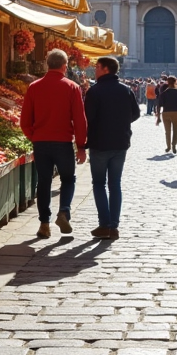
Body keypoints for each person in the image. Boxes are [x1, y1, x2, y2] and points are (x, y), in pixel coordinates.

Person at [19, 48, 87, 237]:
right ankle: (64, 210)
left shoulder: (34, 87)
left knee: (44, 182)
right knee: (68, 179)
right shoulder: (72, 87)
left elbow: (25, 121)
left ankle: (44, 224)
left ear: (47, 65)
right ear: (65, 66)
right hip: (63, 143)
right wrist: (81, 146)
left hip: (41, 142)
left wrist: (34, 136)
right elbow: (80, 120)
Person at [82, 56, 140, 240]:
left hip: (99, 144)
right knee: (115, 184)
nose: (95, 70)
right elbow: (136, 114)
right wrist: (121, 124)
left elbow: (87, 119)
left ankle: (104, 224)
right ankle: (113, 226)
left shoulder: (95, 91)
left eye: (97, 67)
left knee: (99, 184)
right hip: (120, 143)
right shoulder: (126, 90)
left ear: (105, 69)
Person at [156, 76, 177, 153]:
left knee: (167, 131)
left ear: (167, 82)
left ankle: (168, 146)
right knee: (176, 130)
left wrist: (158, 117)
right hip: (176, 112)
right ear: (175, 82)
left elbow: (159, 105)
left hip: (166, 113)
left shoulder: (163, 93)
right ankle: (174, 145)